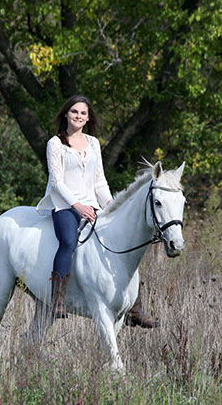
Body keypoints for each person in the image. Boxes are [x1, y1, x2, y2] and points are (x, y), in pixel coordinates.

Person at [36, 95, 160, 328]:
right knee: (68, 241)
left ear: (88, 117)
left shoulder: (93, 143)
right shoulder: (55, 143)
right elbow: (56, 182)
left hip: (92, 205)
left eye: (83, 113)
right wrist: (77, 206)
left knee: (123, 242)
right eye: (74, 112)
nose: (78, 116)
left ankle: (135, 308)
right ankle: (58, 299)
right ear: (66, 114)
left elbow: (99, 181)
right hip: (64, 205)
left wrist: (114, 207)